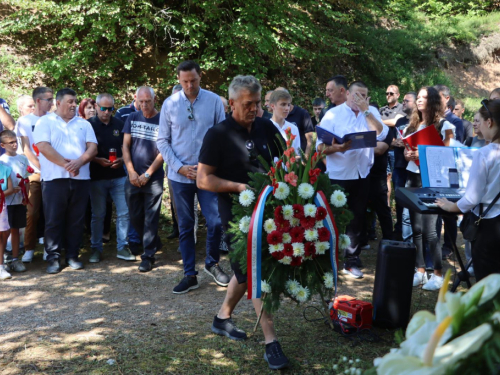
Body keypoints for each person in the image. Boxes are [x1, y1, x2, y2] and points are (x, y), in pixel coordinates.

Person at [197, 75, 289, 370]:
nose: (255, 108)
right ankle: (271, 341)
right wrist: (237, 187)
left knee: (245, 270)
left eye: (258, 103)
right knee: (254, 272)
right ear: (232, 103)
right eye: (248, 104)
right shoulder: (218, 134)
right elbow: (204, 179)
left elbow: (283, 159)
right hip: (236, 214)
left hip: (269, 209)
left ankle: (222, 318)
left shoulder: (265, 125)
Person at [157, 60, 229, 293]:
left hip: (207, 174)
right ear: (178, 79)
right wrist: (179, 167)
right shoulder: (169, 104)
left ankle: (212, 262)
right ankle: (190, 274)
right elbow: (162, 141)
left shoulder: (214, 101)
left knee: (215, 220)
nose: (189, 85)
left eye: (193, 80)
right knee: (186, 225)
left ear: (201, 77)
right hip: (180, 177)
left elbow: (222, 136)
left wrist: (211, 165)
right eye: (185, 81)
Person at [317, 81, 388, 279]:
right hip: (338, 174)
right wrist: (338, 148)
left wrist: (367, 111)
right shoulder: (332, 114)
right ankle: (325, 259)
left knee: (357, 218)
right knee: (332, 218)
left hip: (362, 173)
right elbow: (319, 148)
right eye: (356, 95)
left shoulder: (371, 111)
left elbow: (382, 134)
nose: (359, 99)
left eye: (363, 96)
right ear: (347, 94)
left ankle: (352, 260)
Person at [33, 88, 98, 274]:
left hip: (81, 179)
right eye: (69, 101)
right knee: (54, 220)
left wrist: (79, 162)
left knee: (76, 220)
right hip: (54, 180)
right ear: (58, 103)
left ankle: (72, 256)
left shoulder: (83, 124)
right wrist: (67, 165)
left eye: (75, 101)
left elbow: (93, 148)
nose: (73, 105)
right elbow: (43, 147)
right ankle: (53, 258)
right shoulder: (45, 122)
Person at [436, 99, 500, 281]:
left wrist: (451, 207)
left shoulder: (484, 154)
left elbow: (471, 198)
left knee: (487, 284)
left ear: (490, 122)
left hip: (489, 226)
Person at [403, 86, 455, 290]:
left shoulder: (446, 124)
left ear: (433, 101)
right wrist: (408, 154)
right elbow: (409, 150)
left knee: (431, 230)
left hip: (432, 181)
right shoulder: (413, 124)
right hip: (413, 176)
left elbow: (449, 150)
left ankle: (438, 274)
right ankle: (420, 271)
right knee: (416, 228)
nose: (419, 100)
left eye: (424, 97)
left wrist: (422, 153)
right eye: (418, 97)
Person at [87, 93, 134, 263]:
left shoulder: (120, 124)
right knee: (98, 214)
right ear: (96, 106)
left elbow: (127, 148)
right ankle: (96, 248)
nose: (106, 112)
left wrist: (122, 159)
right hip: (97, 176)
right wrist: (96, 159)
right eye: (103, 108)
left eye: (110, 109)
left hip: (118, 175)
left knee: (123, 212)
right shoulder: (88, 125)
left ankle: (123, 246)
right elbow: (83, 151)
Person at [122, 86, 164, 273]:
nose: (145, 105)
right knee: (135, 215)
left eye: (148, 101)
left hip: (153, 178)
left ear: (155, 100)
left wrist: (148, 174)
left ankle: (148, 256)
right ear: (136, 100)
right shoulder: (132, 117)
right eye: (141, 101)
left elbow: (164, 150)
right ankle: (153, 241)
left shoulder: (163, 119)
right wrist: (131, 171)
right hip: (132, 177)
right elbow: (125, 145)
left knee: (151, 217)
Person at [17, 87, 53, 263]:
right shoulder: (24, 121)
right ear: (39, 101)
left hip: (53, 173)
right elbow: (26, 149)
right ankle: (29, 248)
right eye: (49, 100)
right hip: (34, 174)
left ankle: (49, 247)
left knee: (51, 212)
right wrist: (41, 167)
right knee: (32, 213)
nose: (52, 103)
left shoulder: (54, 120)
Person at [0, 130, 29, 273]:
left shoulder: (23, 159)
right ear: (2, 145)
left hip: (19, 201)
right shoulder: (1, 161)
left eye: (15, 141)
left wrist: (26, 195)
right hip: (5, 203)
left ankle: (16, 259)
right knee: (4, 232)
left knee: (16, 230)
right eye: (10, 142)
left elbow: (26, 178)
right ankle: (3, 258)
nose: (14, 145)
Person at [391, 92, 416, 241]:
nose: (403, 103)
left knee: (411, 201)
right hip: (399, 166)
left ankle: (413, 230)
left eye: (407, 101)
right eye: (403, 100)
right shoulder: (399, 121)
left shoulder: (418, 122)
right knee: (399, 200)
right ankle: (400, 229)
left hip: (413, 168)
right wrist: (395, 143)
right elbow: (393, 140)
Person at [276, 87, 314, 157]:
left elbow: (310, 138)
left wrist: (305, 159)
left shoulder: (302, 113)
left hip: (299, 159)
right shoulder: (274, 118)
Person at [0, 164, 15, 280]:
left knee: (2, 234)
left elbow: (10, 189)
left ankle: (0, 267)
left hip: (1, 205)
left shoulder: (5, 169)